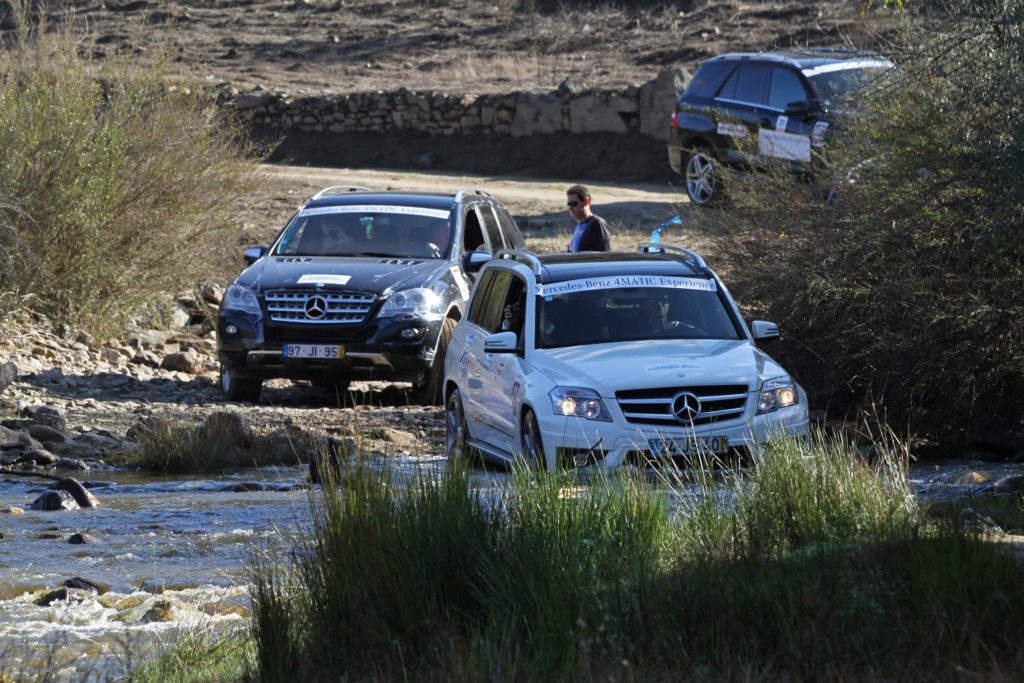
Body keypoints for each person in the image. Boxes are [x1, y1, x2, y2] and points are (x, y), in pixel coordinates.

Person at [565, 184, 611, 252]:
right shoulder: (578, 227)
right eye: (569, 204)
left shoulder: (597, 224)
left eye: (573, 204)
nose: (570, 208)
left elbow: (604, 256)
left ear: (586, 201)